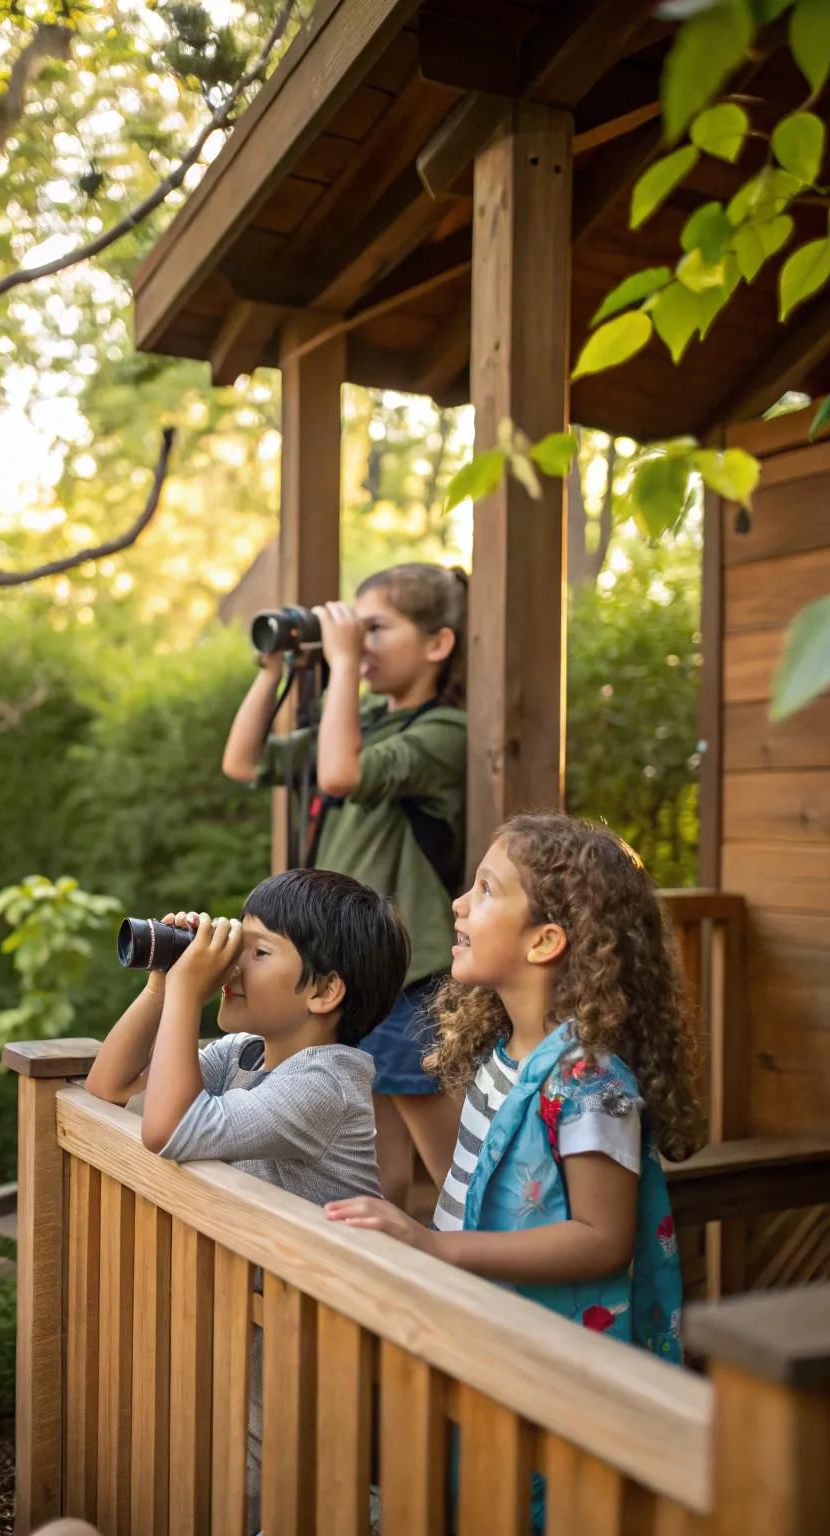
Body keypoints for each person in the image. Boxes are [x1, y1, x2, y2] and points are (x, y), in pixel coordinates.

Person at [85, 866, 409, 1533]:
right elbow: (108, 1087)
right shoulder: (244, 1053)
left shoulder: (326, 1084)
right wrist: (161, 986)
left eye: (257, 951)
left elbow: (167, 1127)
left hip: (313, 1342)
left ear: (324, 990)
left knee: (291, 1490)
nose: (230, 961)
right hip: (260, 1321)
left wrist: (188, 990)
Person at [326, 811, 701, 1347]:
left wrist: (436, 1247)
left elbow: (603, 1240)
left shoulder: (589, 1083)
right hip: (486, 1327)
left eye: (486, 890)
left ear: (544, 942)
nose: (458, 904)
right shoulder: (501, 1056)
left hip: (549, 1355)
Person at [222, 563, 468, 1209]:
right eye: (356, 628)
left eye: (376, 628)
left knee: (450, 1165)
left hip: (411, 973)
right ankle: (376, 1265)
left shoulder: (446, 731)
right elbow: (243, 762)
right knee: (378, 1170)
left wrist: (341, 663)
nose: (360, 640)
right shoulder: (366, 724)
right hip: (353, 969)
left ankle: (483, 1259)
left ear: (438, 643)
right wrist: (271, 672)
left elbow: (339, 774)